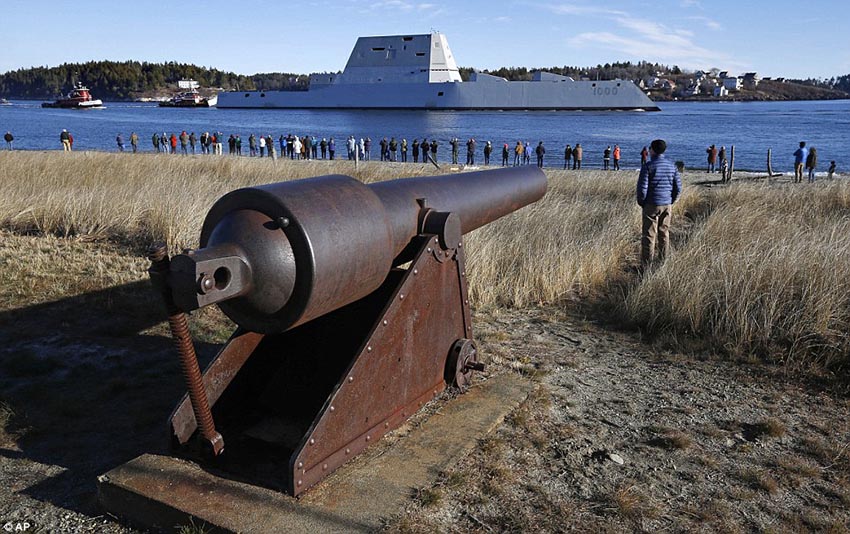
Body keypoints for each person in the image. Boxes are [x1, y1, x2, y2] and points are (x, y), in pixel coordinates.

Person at [636, 139, 682, 269]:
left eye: (650, 148)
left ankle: (646, 265)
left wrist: (642, 202)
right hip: (666, 203)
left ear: (653, 150)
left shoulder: (648, 166)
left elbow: (642, 189)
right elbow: (678, 187)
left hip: (651, 203)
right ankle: (663, 261)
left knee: (649, 235)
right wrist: (672, 200)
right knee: (664, 233)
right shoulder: (672, 166)